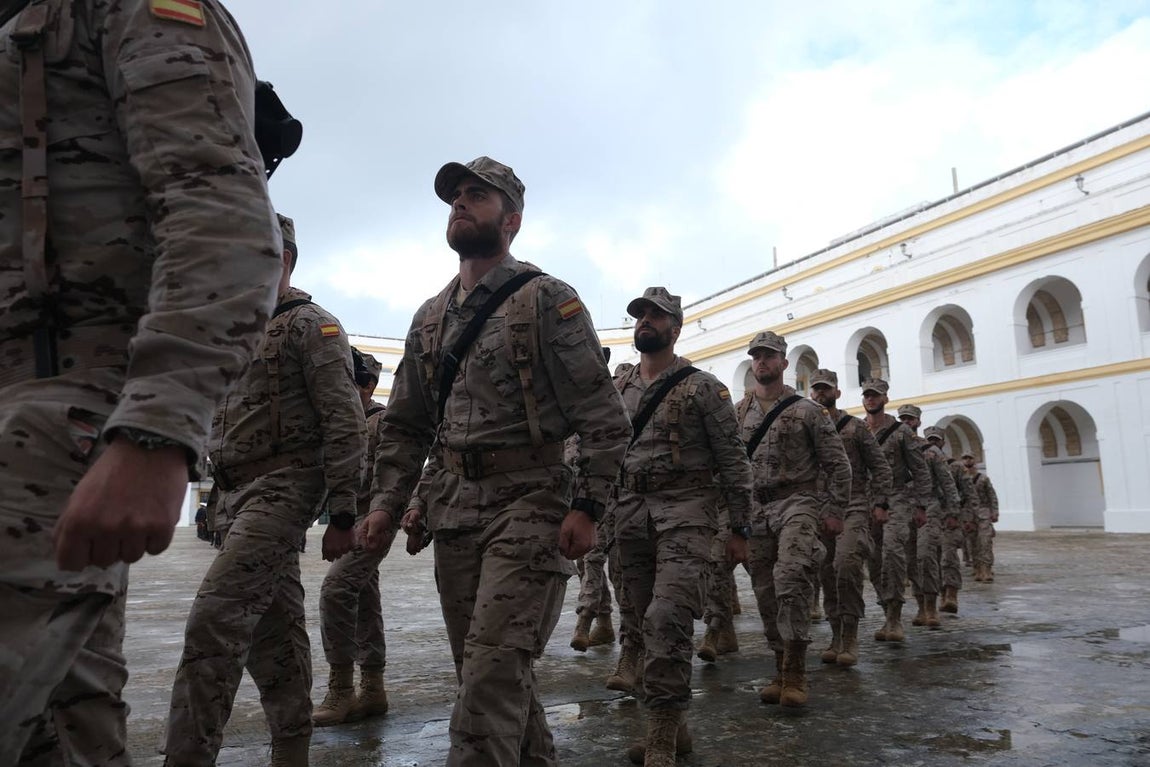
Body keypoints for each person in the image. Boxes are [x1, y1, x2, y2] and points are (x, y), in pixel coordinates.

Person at [0, 1, 281, 762]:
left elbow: (221, 214)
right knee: (64, 726)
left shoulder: (117, 10)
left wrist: (157, 433)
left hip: (61, 422)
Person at [359, 156, 631, 767]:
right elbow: (405, 425)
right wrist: (387, 503)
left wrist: (588, 506)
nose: (459, 203)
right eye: (455, 195)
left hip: (531, 505)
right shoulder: (429, 317)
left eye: (476, 196)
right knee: (486, 672)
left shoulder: (547, 300)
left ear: (511, 219)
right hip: (455, 511)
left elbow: (604, 419)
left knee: (490, 676)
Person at [164, 215, 367, 766]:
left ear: (284, 259)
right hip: (234, 497)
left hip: (283, 491)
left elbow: (344, 420)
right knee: (274, 634)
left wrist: (344, 512)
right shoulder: (233, 332)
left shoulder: (310, 326)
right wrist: (209, 496)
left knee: (213, 622)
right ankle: (292, 748)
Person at [612, 287, 752, 763]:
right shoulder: (619, 388)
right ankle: (679, 728)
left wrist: (740, 529)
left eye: (656, 315)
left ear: (675, 327)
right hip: (630, 515)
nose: (645, 321)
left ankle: (661, 735)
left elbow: (733, 461)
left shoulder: (704, 387)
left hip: (688, 513)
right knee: (641, 620)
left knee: (666, 616)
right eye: (640, 315)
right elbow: (594, 445)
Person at [736, 336, 850, 708]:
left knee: (791, 577)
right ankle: (780, 666)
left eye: (769, 356)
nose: (761, 362)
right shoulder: (737, 414)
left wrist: (834, 510)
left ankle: (797, 670)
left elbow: (838, 464)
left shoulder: (807, 411)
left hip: (797, 502)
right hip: (756, 508)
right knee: (764, 588)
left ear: (784, 364)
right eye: (756, 357)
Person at [313, 350, 394, 726]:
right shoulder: (335, 422)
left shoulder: (380, 423)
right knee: (364, 593)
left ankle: (342, 688)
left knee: (336, 589)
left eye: (352, 383)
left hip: (374, 519)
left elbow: (394, 477)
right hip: (351, 519)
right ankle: (373, 689)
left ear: (368, 386)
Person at [808, 369, 893, 667]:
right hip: (818, 509)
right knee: (825, 572)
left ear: (837, 393)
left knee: (846, 565)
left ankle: (851, 635)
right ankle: (836, 635)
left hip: (854, 506)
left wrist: (880, 502)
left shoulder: (855, 428)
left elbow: (881, 468)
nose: (820, 394)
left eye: (826, 389)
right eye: (816, 389)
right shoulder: (806, 427)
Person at [861, 380, 931, 644]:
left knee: (892, 554)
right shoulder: (859, 429)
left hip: (897, 499)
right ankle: (885, 608)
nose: (870, 399)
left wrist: (921, 505)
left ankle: (894, 617)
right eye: (867, 395)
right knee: (873, 558)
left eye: (875, 395)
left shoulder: (901, 432)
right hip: (867, 500)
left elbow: (920, 470)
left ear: (885, 398)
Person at [898, 408, 958, 631]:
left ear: (918, 421)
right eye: (902, 418)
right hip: (905, 509)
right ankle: (921, 605)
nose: (905, 421)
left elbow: (947, 482)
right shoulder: (897, 447)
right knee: (911, 559)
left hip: (930, 507)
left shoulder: (931, 451)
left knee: (926, 556)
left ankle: (932, 606)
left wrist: (953, 512)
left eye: (910, 418)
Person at [927, 427, 975, 614]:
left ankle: (951, 594)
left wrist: (964, 516)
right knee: (931, 559)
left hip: (950, 517)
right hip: (930, 517)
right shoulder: (922, 461)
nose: (933, 443)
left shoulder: (955, 467)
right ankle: (939, 593)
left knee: (948, 557)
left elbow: (969, 494)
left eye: (936, 440)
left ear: (943, 443)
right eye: (929, 440)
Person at [964, 452, 1000, 582]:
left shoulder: (983, 478)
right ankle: (977, 567)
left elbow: (992, 495)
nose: (968, 461)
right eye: (965, 458)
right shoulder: (961, 478)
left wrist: (994, 511)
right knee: (972, 542)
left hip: (983, 512)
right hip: (968, 514)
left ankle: (987, 568)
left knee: (985, 541)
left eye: (970, 458)